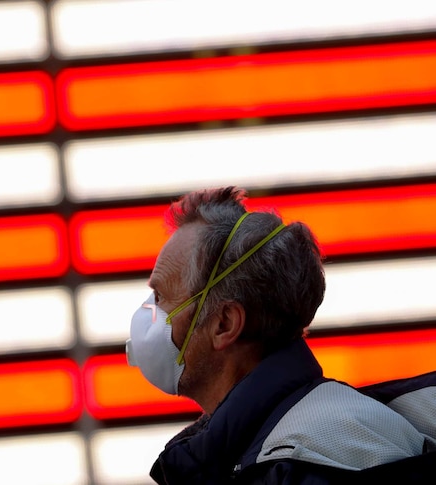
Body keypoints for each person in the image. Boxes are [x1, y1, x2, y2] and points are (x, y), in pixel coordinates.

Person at [125, 186, 436, 484]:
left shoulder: (304, 461)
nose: (149, 312)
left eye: (161, 296)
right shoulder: (263, 453)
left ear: (224, 324)